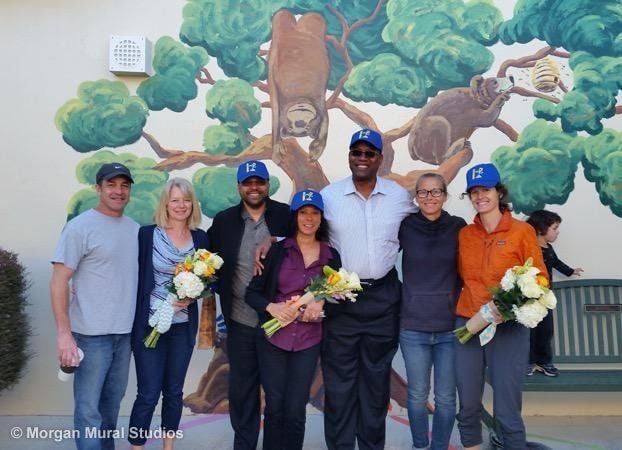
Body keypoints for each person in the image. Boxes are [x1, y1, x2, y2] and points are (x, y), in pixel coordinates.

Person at [320, 128, 416, 450]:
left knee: (376, 385)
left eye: (369, 153)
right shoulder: (329, 197)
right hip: (341, 300)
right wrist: (269, 238)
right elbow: (302, 230)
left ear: (380, 159)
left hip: (383, 299)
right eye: (355, 153)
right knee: (339, 385)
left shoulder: (399, 196)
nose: (362, 159)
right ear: (349, 157)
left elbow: (426, 224)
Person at [455, 162, 548, 450]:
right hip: (468, 324)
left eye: (486, 190)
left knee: (507, 404)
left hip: (508, 327)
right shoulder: (465, 235)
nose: (480, 196)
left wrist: (509, 303)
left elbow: (541, 278)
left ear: (498, 192)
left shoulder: (522, 232)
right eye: (474, 192)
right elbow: (462, 275)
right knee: (468, 401)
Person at [50, 162, 139, 450]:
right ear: (97, 188)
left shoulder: (135, 230)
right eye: (111, 184)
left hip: (124, 336)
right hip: (90, 337)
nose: (118, 191)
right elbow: (59, 281)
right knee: (89, 412)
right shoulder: (79, 228)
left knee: (111, 410)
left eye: (124, 185)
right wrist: (65, 334)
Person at [246, 189, 341, 450]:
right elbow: (251, 294)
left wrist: (321, 309)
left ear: (321, 218)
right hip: (273, 340)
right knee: (275, 406)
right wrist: (273, 308)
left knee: (296, 408)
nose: (309, 218)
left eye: (314, 213)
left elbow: (339, 302)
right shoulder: (276, 251)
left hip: (308, 343)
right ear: (295, 216)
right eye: (303, 212)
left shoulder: (331, 256)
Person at [207, 160, 290, 450]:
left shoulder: (285, 216)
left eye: (259, 182)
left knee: (277, 394)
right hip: (240, 322)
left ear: (267, 184)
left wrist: (276, 238)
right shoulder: (223, 221)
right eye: (248, 182)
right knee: (242, 392)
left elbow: (310, 240)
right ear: (239, 186)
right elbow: (209, 265)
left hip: (278, 323)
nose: (254, 187)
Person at [128, 178, 208, 450]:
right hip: (150, 325)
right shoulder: (147, 234)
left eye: (186, 200)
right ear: (165, 203)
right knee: (148, 394)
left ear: (192, 204)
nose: (181, 205)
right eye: (175, 200)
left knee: (173, 393)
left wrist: (194, 292)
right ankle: (137, 446)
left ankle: (168, 446)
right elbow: (134, 276)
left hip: (182, 328)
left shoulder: (200, 237)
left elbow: (211, 278)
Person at [398, 173, 466, 450]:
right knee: (416, 396)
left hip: (450, 326)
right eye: (423, 193)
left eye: (435, 192)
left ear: (445, 195)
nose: (429, 197)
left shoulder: (458, 227)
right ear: (416, 197)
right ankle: (419, 446)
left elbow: (472, 266)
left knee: (447, 397)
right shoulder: (404, 226)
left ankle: (439, 446)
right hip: (413, 326)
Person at [526, 209, 583, 377]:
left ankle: (543, 361)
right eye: (554, 228)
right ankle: (527, 362)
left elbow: (556, 263)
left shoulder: (548, 248)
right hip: (529, 299)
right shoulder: (530, 248)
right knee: (528, 332)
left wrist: (570, 271)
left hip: (545, 298)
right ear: (541, 229)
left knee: (546, 331)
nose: (557, 232)